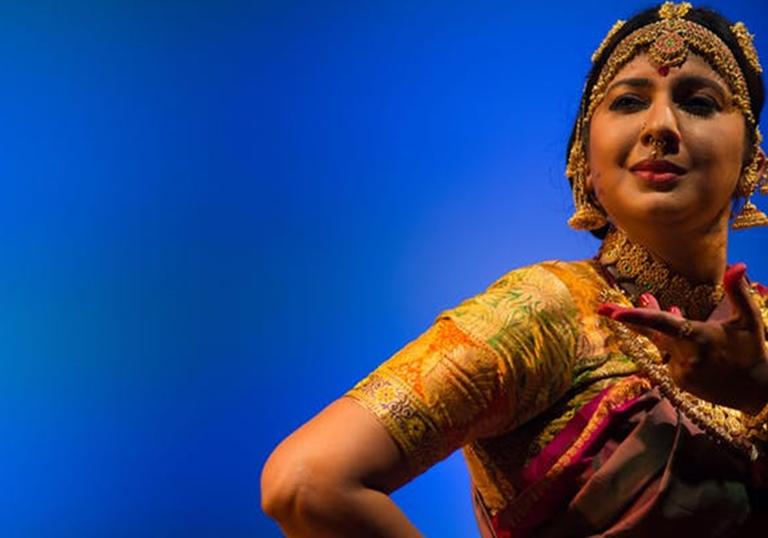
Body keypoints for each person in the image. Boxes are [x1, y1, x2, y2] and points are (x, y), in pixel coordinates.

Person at [261, 2, 768, 536]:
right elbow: (306, 481)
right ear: (584, 160)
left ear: (754, 159)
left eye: (698, 102)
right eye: (628, 101)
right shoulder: (546, 314)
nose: (660, 126)